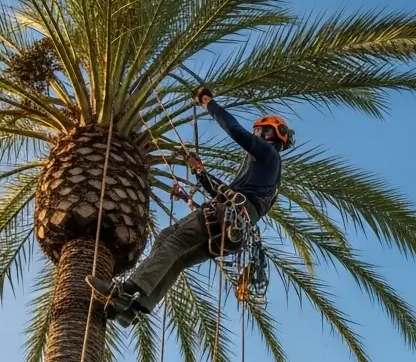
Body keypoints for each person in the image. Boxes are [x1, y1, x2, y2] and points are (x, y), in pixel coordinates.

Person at [87, 86, 293, 324]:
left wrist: (208, 102)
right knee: (179, 256)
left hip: (225, 216)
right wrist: (200, 173)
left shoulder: (268, 154)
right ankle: (136, 307)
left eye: (258, 131)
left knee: (172, 241)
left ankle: (126, 290)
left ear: (269, 134)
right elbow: (230, 195)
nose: (255, 135)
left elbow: (234, 130)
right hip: (233, 230)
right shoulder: (268, 176)